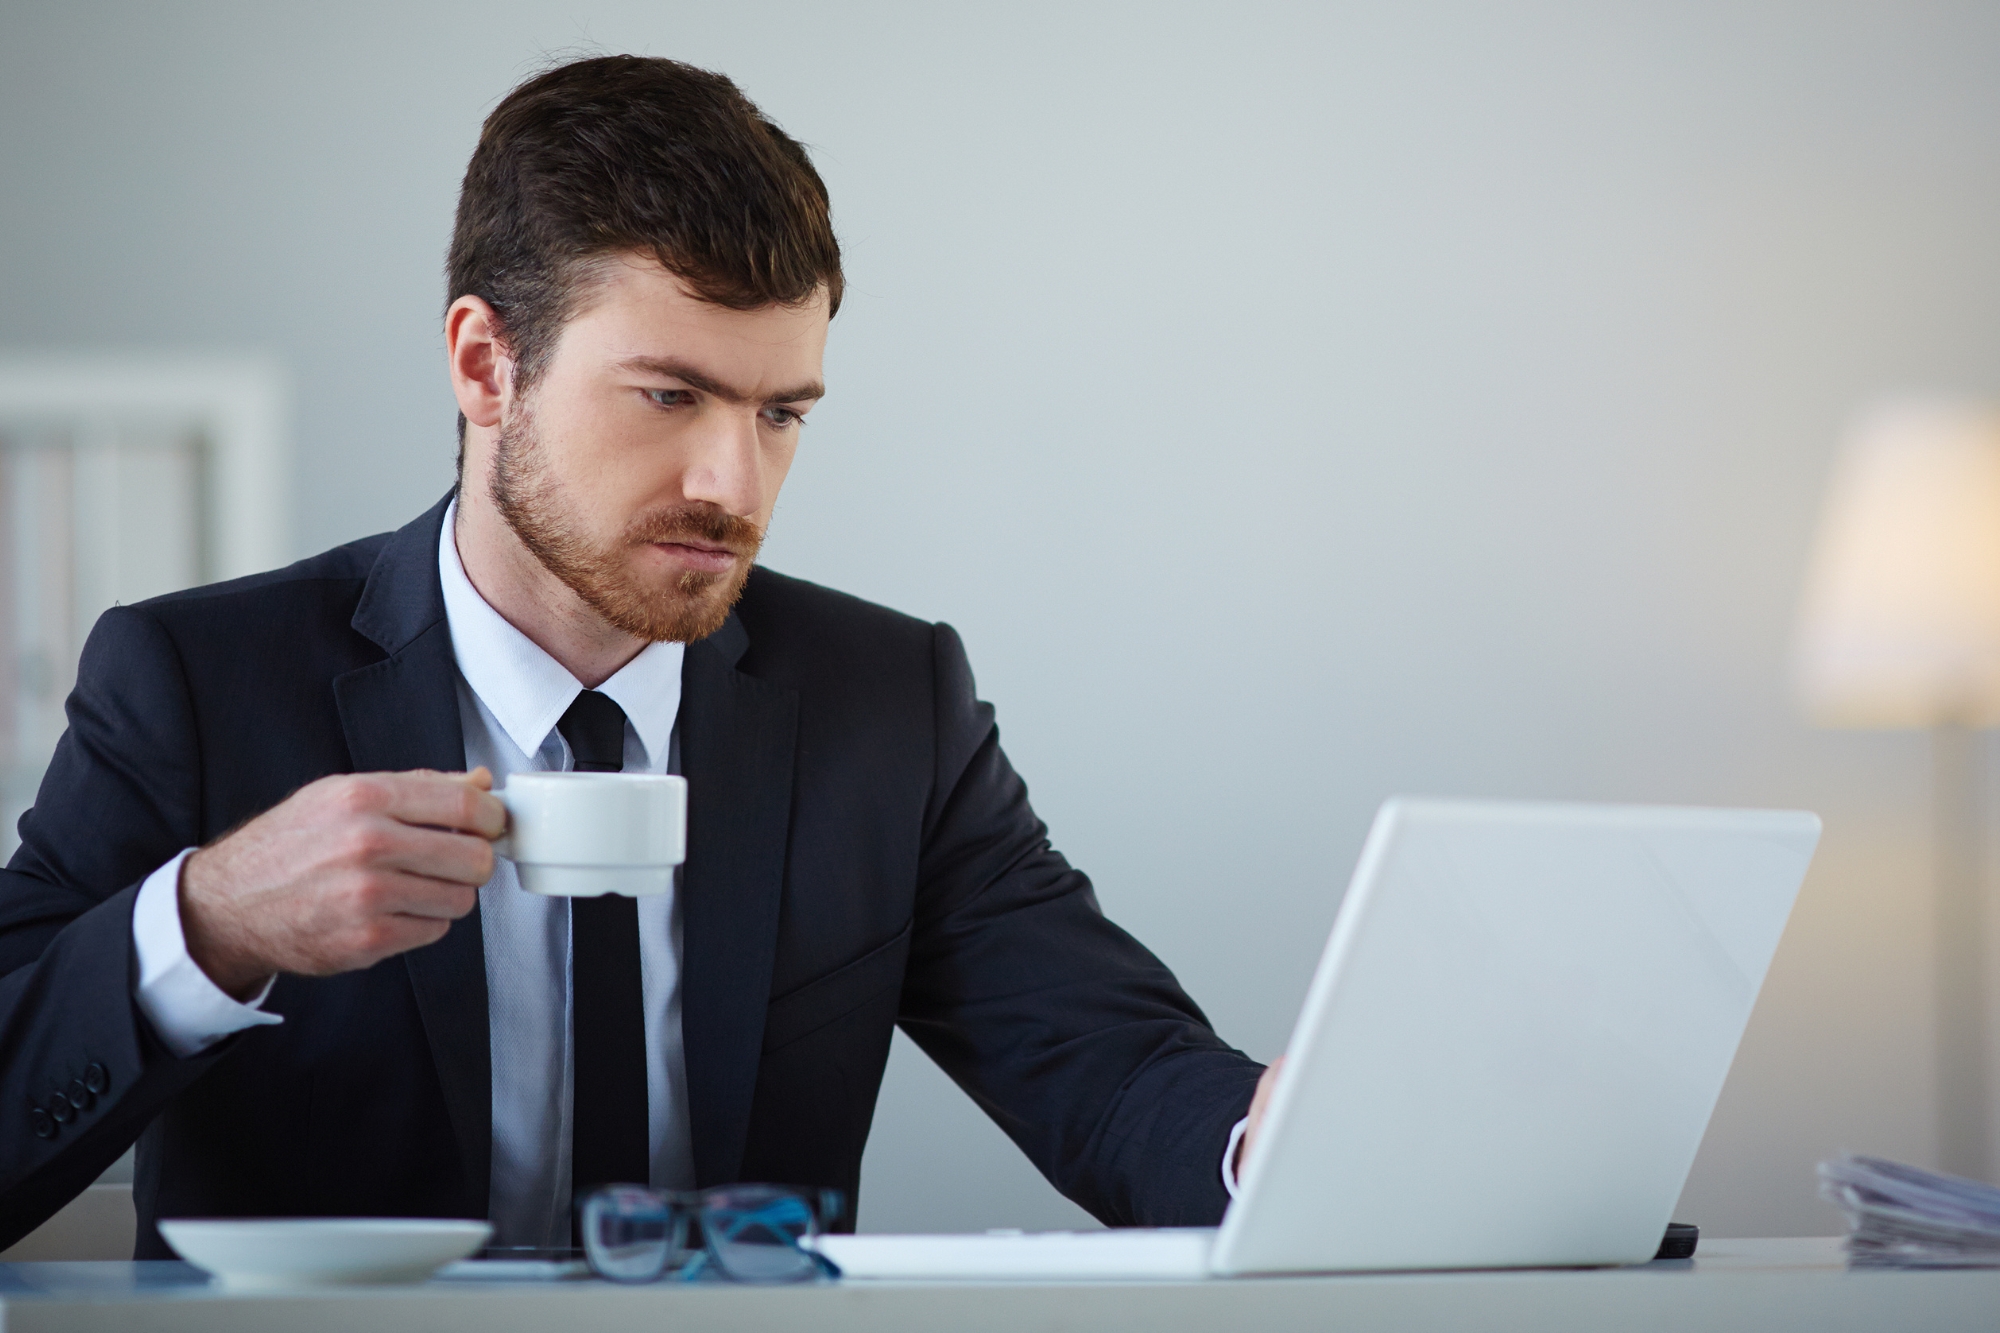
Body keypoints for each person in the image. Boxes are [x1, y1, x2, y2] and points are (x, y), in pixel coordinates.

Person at [0, 55, 1273, 1256]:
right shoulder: (194, 685)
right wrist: (207, 924)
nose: (735, 482)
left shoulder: (890, 705)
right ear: (485, 365)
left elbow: (1112, 1071)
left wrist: (1271, 1144)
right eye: (670, 396)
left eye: (779, 413)